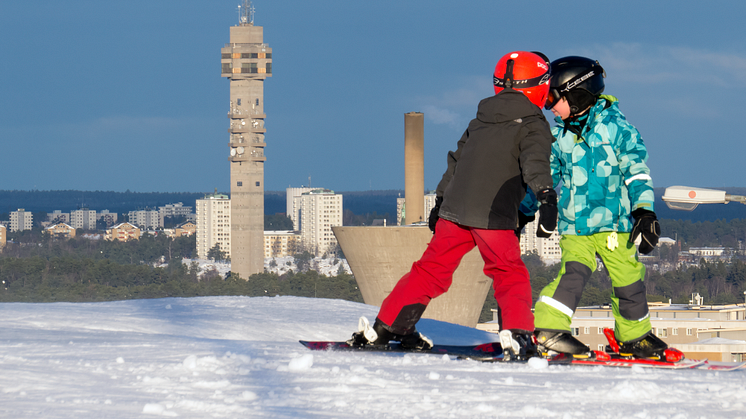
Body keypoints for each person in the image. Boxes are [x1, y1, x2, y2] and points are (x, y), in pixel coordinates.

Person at [349, 51, 558, 360]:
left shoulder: (481, 119)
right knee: (509, 272)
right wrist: (546, 196)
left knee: (430, 270)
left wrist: (440, 201)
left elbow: (457, 160)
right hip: (492, 213)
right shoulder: (533, 123)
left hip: (455, 210)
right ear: (539, 85)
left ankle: (388, 327)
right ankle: (518, 335)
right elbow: (535, 163)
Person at [525, 56, 667, 360]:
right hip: (575, 226)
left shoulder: (616, 129)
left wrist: (644, 211)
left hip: (615, 226)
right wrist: (523, 209)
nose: (549, 106)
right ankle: (548, 330)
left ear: (577, 95)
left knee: (629, 280)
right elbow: (545, 179)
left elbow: (637, 172)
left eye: (553, 98)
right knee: (572, 275)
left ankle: (634, 337)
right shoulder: (560, 136)